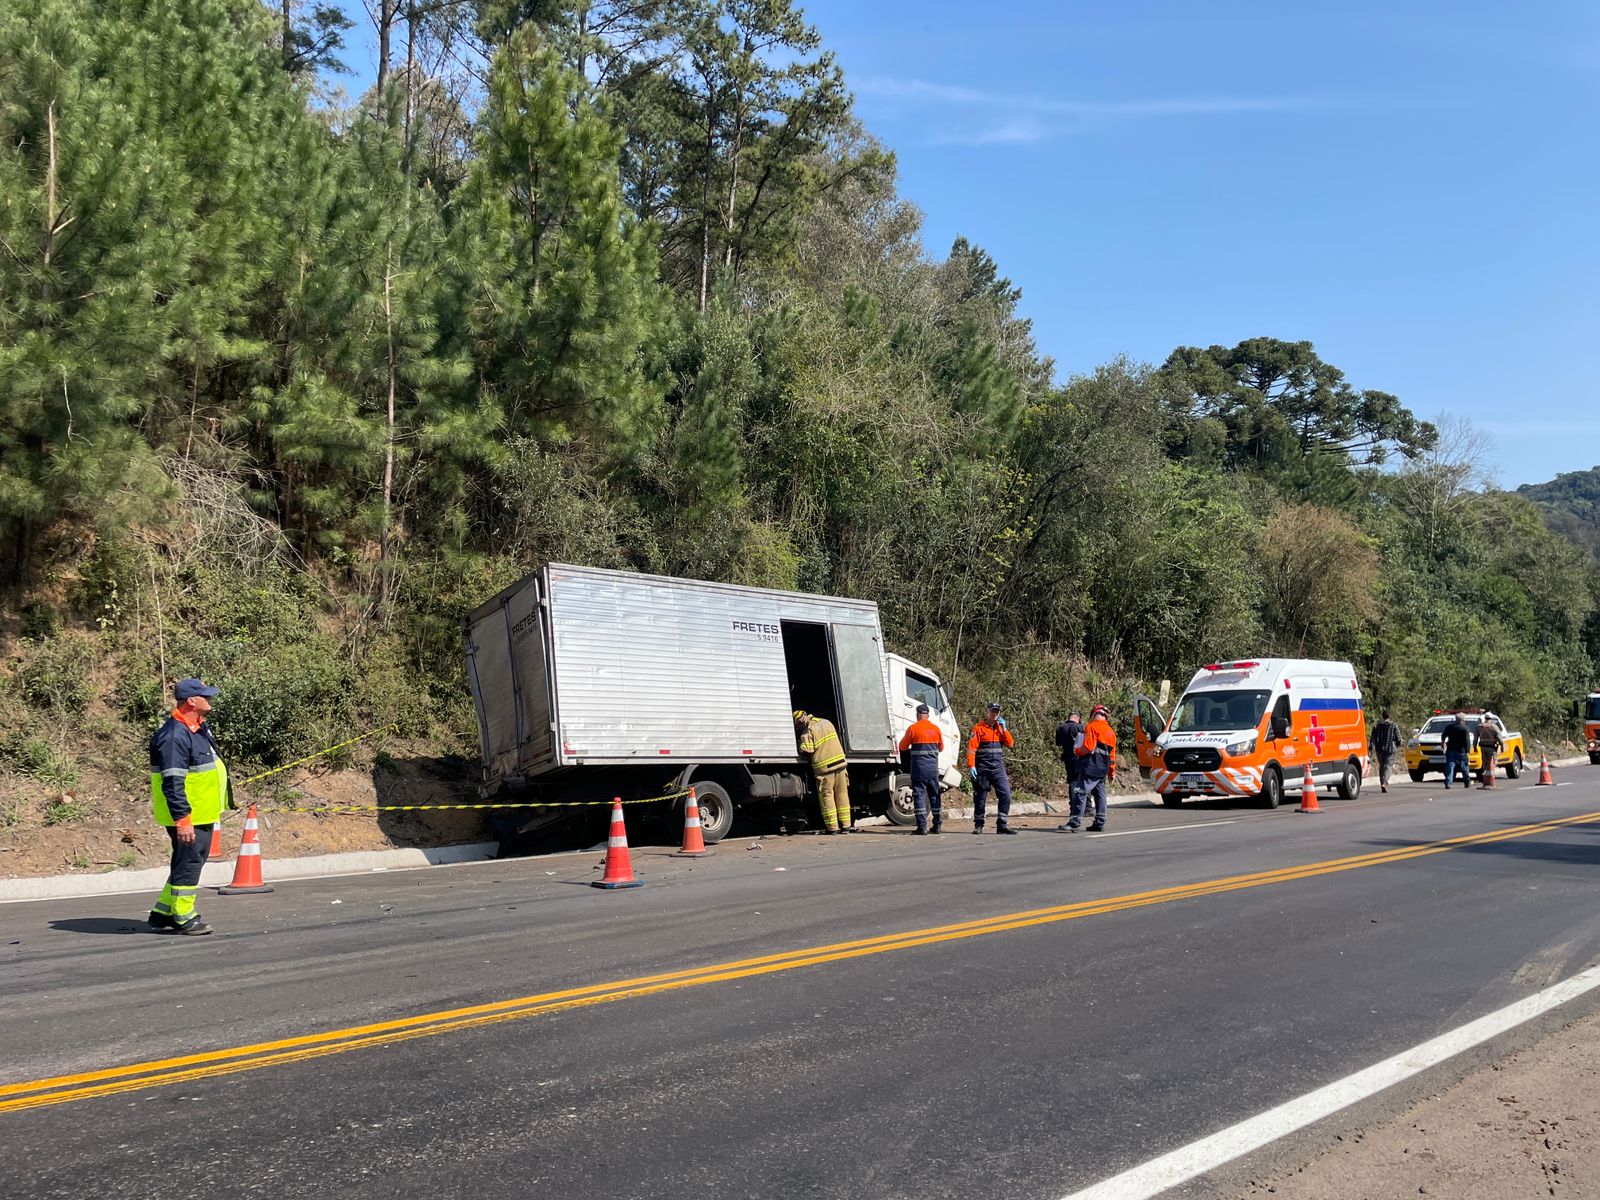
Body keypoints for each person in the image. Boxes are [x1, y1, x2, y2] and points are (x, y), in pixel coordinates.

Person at [148, 677, 230, 935]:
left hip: (201, 812)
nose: (211, 699)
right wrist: (182, 820)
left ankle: (162, 913)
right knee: (190, 862)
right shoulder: (174, 736)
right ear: (192, 701)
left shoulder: (197, 728)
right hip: (188, 816)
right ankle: (184, 915)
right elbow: (172, 782)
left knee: (187, 860)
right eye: (206, 695)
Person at [795, 709, 852, 834]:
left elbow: (807, 750)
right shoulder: (826, 722)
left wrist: (800, 744)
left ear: (800, 721)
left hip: (825, 768)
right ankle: (846, 826)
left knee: (827, 796)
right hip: (840, 763)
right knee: (842, 794)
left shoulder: (807, 731)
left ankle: (833, 828)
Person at [967, 702, 1016, 834]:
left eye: (997, 712)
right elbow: (971, 748)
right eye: (992, 711)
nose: (995, 714)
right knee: (980, 798)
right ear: (987, 712)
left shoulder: (1000, 728)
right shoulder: (978, 728)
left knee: (1005, 795)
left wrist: (1004, 729)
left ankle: (1002, 825)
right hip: (982, 768)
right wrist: (971, 765)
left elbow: (1010, 744)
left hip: (998, 768)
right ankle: (978, 825)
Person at [898, 703, 945, 835]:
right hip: (933, 770)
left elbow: (902, 747)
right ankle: (937, 825)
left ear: (918, 715)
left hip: (919, 769)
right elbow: (941, 748)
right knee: (935, 796)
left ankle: (922, 827)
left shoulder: (913, 729)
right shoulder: (936, 729)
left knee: (919, 796)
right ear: (928, 715)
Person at [1070, 704, 1117, 832]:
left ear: (1093, 714)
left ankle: (1075, 821)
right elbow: (1112, 756)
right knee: (1100, 794)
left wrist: (1077, 751)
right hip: (1102, 768)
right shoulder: (1111, 732)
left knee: (1080, 792)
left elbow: (1088, 747)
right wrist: (1111, 772)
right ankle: (1100, 821)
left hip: (1090, 766)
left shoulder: (1091, 727)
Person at [1054, 711, 1084, 831]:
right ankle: (1082, 808)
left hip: (1068, 759)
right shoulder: (1080, 727)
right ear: (1077, 719)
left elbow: (1058, 744)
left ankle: (1074, 806)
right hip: (1079, 758)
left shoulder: (1060, 728)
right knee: (1079, 783)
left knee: (1072, 782)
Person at [1371, 709, 1404, 794]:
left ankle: (1382, 782)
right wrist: (1397, 744)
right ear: (1390, 717)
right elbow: (1399, 739)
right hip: (1390, 749)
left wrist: (1371, 747)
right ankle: (1385, 783)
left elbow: (1372, 738)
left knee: (1381, 766)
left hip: (1379, 749)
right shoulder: (1394, 726)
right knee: (1388, 766)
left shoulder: (1377, 726)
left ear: (1382, 716)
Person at [1441, 712, 1472, 789]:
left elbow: (1443, 735)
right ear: (1463, 720)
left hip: (1451, 750)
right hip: (1461, 751)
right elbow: (1467, 741)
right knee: (1464, 767)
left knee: (1450, 767)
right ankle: (1467, 782)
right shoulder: (1465, 729)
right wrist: (1468, 751)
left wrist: (1443, 742)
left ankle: (1448, 783)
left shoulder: (1449, 727)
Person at [1476, 718, 1502, 789]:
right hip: (1491, 748)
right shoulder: (1494, 727)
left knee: (1484, 764)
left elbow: (1476, 738)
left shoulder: (1479, 727)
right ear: (1491, 719)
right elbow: (1499, 738)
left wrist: (1475, 746)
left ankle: (1485, 779)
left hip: (1483, 748)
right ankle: (1490, 780)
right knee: (1492, 763)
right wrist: (1502, 745)